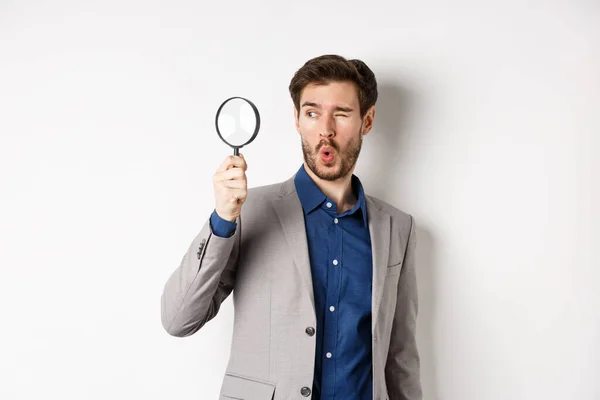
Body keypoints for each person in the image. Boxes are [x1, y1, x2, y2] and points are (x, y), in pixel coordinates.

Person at [161, 54, 422, 400]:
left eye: (341, 114)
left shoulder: (396, 228)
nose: (325, 129)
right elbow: (179, 319)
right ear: (297, 120)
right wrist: (222, 220)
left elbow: (400, 358)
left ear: (367, 120)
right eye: (312, 113)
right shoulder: (247, 211)